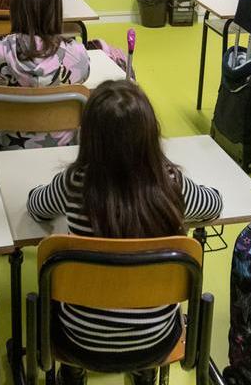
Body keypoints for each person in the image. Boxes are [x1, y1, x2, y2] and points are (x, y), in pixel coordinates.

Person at [26, 80, 223, 385]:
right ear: (150, 135)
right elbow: (213, 205)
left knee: (55, 287)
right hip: (156, 340)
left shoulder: (75, 183)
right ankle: (144, 372)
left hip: (78, 340)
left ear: (90, 137)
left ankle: (73, 371)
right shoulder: (170, 184)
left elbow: (37, 206)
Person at [0, 0, 90, 149]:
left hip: (7, 150)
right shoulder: (77, 54)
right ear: (56, 10)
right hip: (65, 151)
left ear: (16, 9)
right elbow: (83, 77)